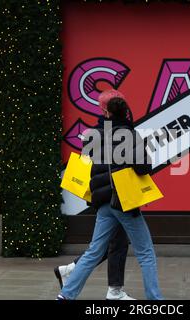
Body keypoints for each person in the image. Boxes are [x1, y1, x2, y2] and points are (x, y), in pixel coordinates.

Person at [57, 91, 163, 300]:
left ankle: (65, 296)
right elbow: (143, 168)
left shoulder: (93, 135)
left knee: (93, 252)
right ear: (126, 112)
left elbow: (88, 166)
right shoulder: (130, 135)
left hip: (103, 202)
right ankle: (155, 300)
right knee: (146, 253)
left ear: (104, 111)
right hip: (124, 201)